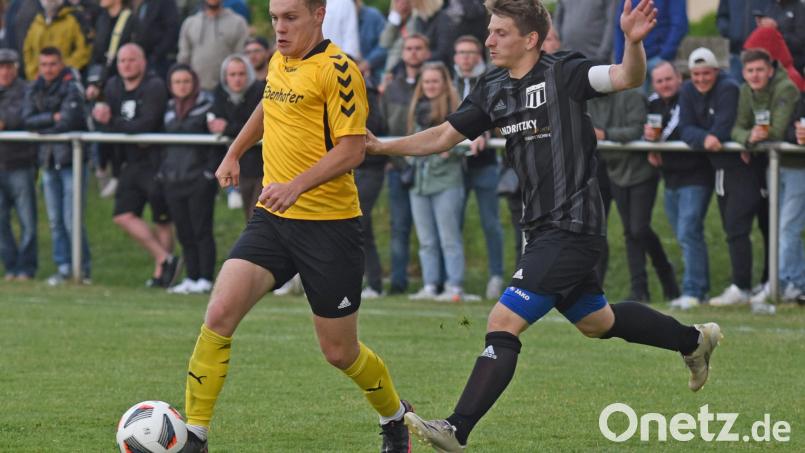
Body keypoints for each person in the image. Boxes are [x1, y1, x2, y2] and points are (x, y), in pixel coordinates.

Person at [368, 1, 721, 451]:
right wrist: (381, 147)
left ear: (530, 39)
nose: (488, 40)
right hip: (539, 227)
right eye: (489, 31)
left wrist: (632, 42)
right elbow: (443, 135)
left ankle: (456, 428)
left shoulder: (565, 72)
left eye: (499, 33)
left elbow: (625, 77)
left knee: (503, 320)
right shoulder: (493, 86)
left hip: (572, 225)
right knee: (598, 321)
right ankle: (693, 340)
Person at [180, 0, 412, 451]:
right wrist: (235, 151)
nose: (280, 29)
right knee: (219, 313)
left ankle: (394, 417)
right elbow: (268, 109)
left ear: (319, 14)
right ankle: (195, 434)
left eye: (291, 18)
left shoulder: (340, 70)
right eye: (274, 18)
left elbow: (352, 150)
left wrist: (296, 186)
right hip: (273, 221)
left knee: (339, 352)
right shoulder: (278, 60)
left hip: (330, 227)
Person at [91, 43, 181, 288]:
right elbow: (109, 122)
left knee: (162, 219)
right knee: (123, 214)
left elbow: (146, 125)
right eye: (122, 61)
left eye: (132, 60)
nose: (126, 65)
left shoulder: (154, 86)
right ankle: (165, 258)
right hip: (130, 162)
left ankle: (162, 275)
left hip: (155, 161)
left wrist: (113, 121)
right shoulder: (113, 86)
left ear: (143, 62)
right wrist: (101, 116)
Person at [678, 47, 760, 307]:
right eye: (696, 74)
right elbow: (685, 128)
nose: (701, 79)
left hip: (743, 167)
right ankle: (742, 286)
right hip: (720, 169)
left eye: (706, 73)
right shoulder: (688, 90)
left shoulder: (728, 87)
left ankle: (746, 286)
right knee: (732, 227)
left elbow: (724, 128)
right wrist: (705, 137)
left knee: (740, 226)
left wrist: (708, 135)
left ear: (716, 70)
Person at [589, 86, 680, 303]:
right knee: (631, 232)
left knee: (638, 229)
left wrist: (605, 135)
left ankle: (665, 275)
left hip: (641, 170)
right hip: (615, 169)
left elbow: (638, 129)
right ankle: (640, 290)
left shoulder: (633, 96)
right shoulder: (589, 100)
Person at [730, 49, 798, 307]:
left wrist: (756, 137)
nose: (755, 75)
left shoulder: (786, 88)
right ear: (744, 72)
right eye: (750, 71)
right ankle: (793, 281)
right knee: (782, 225)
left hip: (795, 166)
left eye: (760, 70)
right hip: (772, 165)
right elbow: (737, 127)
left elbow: (778, 130)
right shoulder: (745, 91)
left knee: (786, 226)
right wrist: (748, 139)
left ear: (770, 70)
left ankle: (781, 283)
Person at [645, 61, 714, 310]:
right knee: (685, 234)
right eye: (659, 81)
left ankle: (693, 290)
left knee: (688, 231)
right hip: (671, 178)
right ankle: (700, 290)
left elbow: (680, 130)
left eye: (668, 79)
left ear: (679, 78)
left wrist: (656, 141)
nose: (664, 84)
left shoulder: (687, 97)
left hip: (696, 176)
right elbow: (650, 131)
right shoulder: (652, 102)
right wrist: (650, 142)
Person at [22, 46, 91, 285]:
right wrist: (53, 118)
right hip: (49, 160)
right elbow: (26, 119)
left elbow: (69, 121)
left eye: (52, 64)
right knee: (54, 219)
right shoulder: (34, 87)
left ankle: (81, 268)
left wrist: (43, 124)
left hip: (71, 159)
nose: (48, 69)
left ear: (61, 64)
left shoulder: (72, 86)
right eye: (44, 64)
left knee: (72, 217)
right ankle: (63, 267)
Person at [406, 61, 466, 301]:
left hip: (446, 181)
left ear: (444, 84)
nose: (430, 86)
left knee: (449, 237)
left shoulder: (457, 109)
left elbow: (468, 142)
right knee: (426, 240)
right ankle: (430, 285)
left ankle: (455, 287)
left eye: (435, 81)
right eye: (427, 81)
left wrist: (451, 150)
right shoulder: (416, 109)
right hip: (419, 183)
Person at [160, 64, 219, 295]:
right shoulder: (168, 109)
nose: (182, 86)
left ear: (193, 83)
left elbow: (216, 144)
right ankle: (191, 277)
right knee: (184, 231)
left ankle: (205, 277)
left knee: (201, 229)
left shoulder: (207, 106)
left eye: (186, 81)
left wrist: (208, 173)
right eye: (177, 82)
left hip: (198, 178)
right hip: (174, 179)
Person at [453, 34, 505, 300]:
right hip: (454, 166)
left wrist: (486, 132)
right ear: (455, 56)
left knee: (491, 223)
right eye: (462, 52)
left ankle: (496, 276)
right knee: (453, 224)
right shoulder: (447, 81)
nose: (466, 57)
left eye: (471, 52)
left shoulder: (491, 80)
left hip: (485, 163)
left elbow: (502, 116)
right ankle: (453, 282)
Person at [379, 33, 430, 295]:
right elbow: (385, 124)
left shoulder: (433, 83)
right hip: (397, 166)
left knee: (430, 229)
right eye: (408, 48)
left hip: (428, 166)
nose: (412, 52)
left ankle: (435, 283)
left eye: (418, 48)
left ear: (427, 52)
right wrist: (390, 158)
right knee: (399, 227)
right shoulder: (391, 87)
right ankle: (398, 283)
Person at [209, 54, 265, 220]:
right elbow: (215, 120)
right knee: (249, 219)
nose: (237, 79)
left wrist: (227, 127)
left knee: (257, 219)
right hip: (240, 167)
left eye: (241, 74)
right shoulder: (220, 93)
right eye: (232, 75)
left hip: (264, 166)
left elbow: (258, 126)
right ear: (225, 77)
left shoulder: (260, 90)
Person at [0, 48, 38, 281]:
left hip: (20, 163)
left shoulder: (27, 90)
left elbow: (24, 117)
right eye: (1, 66)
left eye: (8, 66)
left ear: (16, 68)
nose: (4, 71)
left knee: (28, 221)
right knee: (1, 220)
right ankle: (11, 266)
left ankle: (26, 268)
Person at [613, 0, 687, 90]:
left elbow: (679, 24)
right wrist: (620, 61)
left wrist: (665, 54)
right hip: (634, 60)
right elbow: (620, 27)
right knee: (636, 100)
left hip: (659, 58)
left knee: (664, 98)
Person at [177, 0, 248, 92]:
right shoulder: (189, 23)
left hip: (227, 91)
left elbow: (241, 58)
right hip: (196, 91)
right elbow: (183, 59)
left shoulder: (238, 23)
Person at [22, 0, 91, 80]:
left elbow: (84, 49)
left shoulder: (74, 18)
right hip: (39, 81)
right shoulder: (37, 20)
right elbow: (27, 50)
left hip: (67, 80)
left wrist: (62, 69)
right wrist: (34, 72)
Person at [716, 0, 770, 82]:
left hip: (762, 54)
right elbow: (722, 16)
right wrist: (730, 33)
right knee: (736, 89)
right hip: (736, 52)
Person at [554, 0, 618, 65]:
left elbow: (612, 22)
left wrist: (602, 55)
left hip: (595, 60)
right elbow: (557, 20)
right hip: (568, 58)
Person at [130, 0, 180, 80]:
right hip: (143, 58)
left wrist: (156, 54)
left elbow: (172, 30)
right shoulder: (144, 4)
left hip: (159, 61)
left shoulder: (166, 2)